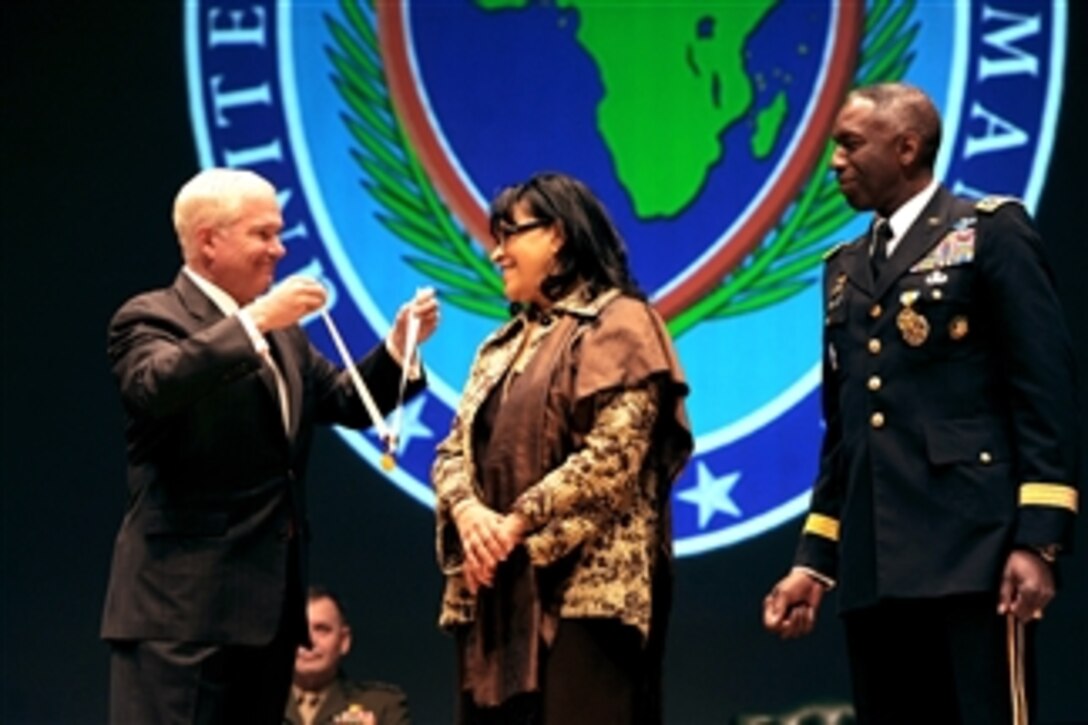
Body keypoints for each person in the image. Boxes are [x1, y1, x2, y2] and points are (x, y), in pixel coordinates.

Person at [762, 83, 1080, 724]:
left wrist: (1038, 542)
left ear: (907, 147)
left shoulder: (989, 233)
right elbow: (845, 432)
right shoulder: (844, 267)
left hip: (976, 553)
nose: (834, 161)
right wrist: (815, 563)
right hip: (877, 566)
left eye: (850, 144)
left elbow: (1044, 393)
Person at [101, 167, 439, 724]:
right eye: (263, 234)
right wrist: (255, 320)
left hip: (265, 621)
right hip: (180, 620)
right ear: (210, 240)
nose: (279, 249)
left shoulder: (285, 334)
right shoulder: (150, 318)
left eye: (279, 234)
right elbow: (156, 386)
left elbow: (346, 401)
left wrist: (399, 349)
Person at [431, 172, 693, 725]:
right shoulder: (498, 346)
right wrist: (470, 514)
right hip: (496, 595)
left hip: (585, 596)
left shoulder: (621, 323)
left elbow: (612, 457)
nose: (497, 252)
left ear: (558, 236)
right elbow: (452, 450)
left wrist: (516, 524)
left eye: (510, 234)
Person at [285, 587, 411, 725]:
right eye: (298, 629)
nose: (308, 641)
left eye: (322, 630)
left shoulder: (382, 706)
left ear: (344, 640)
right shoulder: (258, 704)